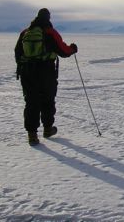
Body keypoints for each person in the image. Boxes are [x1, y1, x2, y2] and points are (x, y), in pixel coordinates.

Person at [15, 8, 78, 146]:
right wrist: (73, 49)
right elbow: (63, 50)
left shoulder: (25, 32)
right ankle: (48, 129)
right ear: (48, 18)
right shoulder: (49, 32)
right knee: (47, 100)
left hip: (27, 73)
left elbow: (17, 52)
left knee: (31, 102)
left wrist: (24, 67)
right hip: (45, 72)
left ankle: (32, 135)